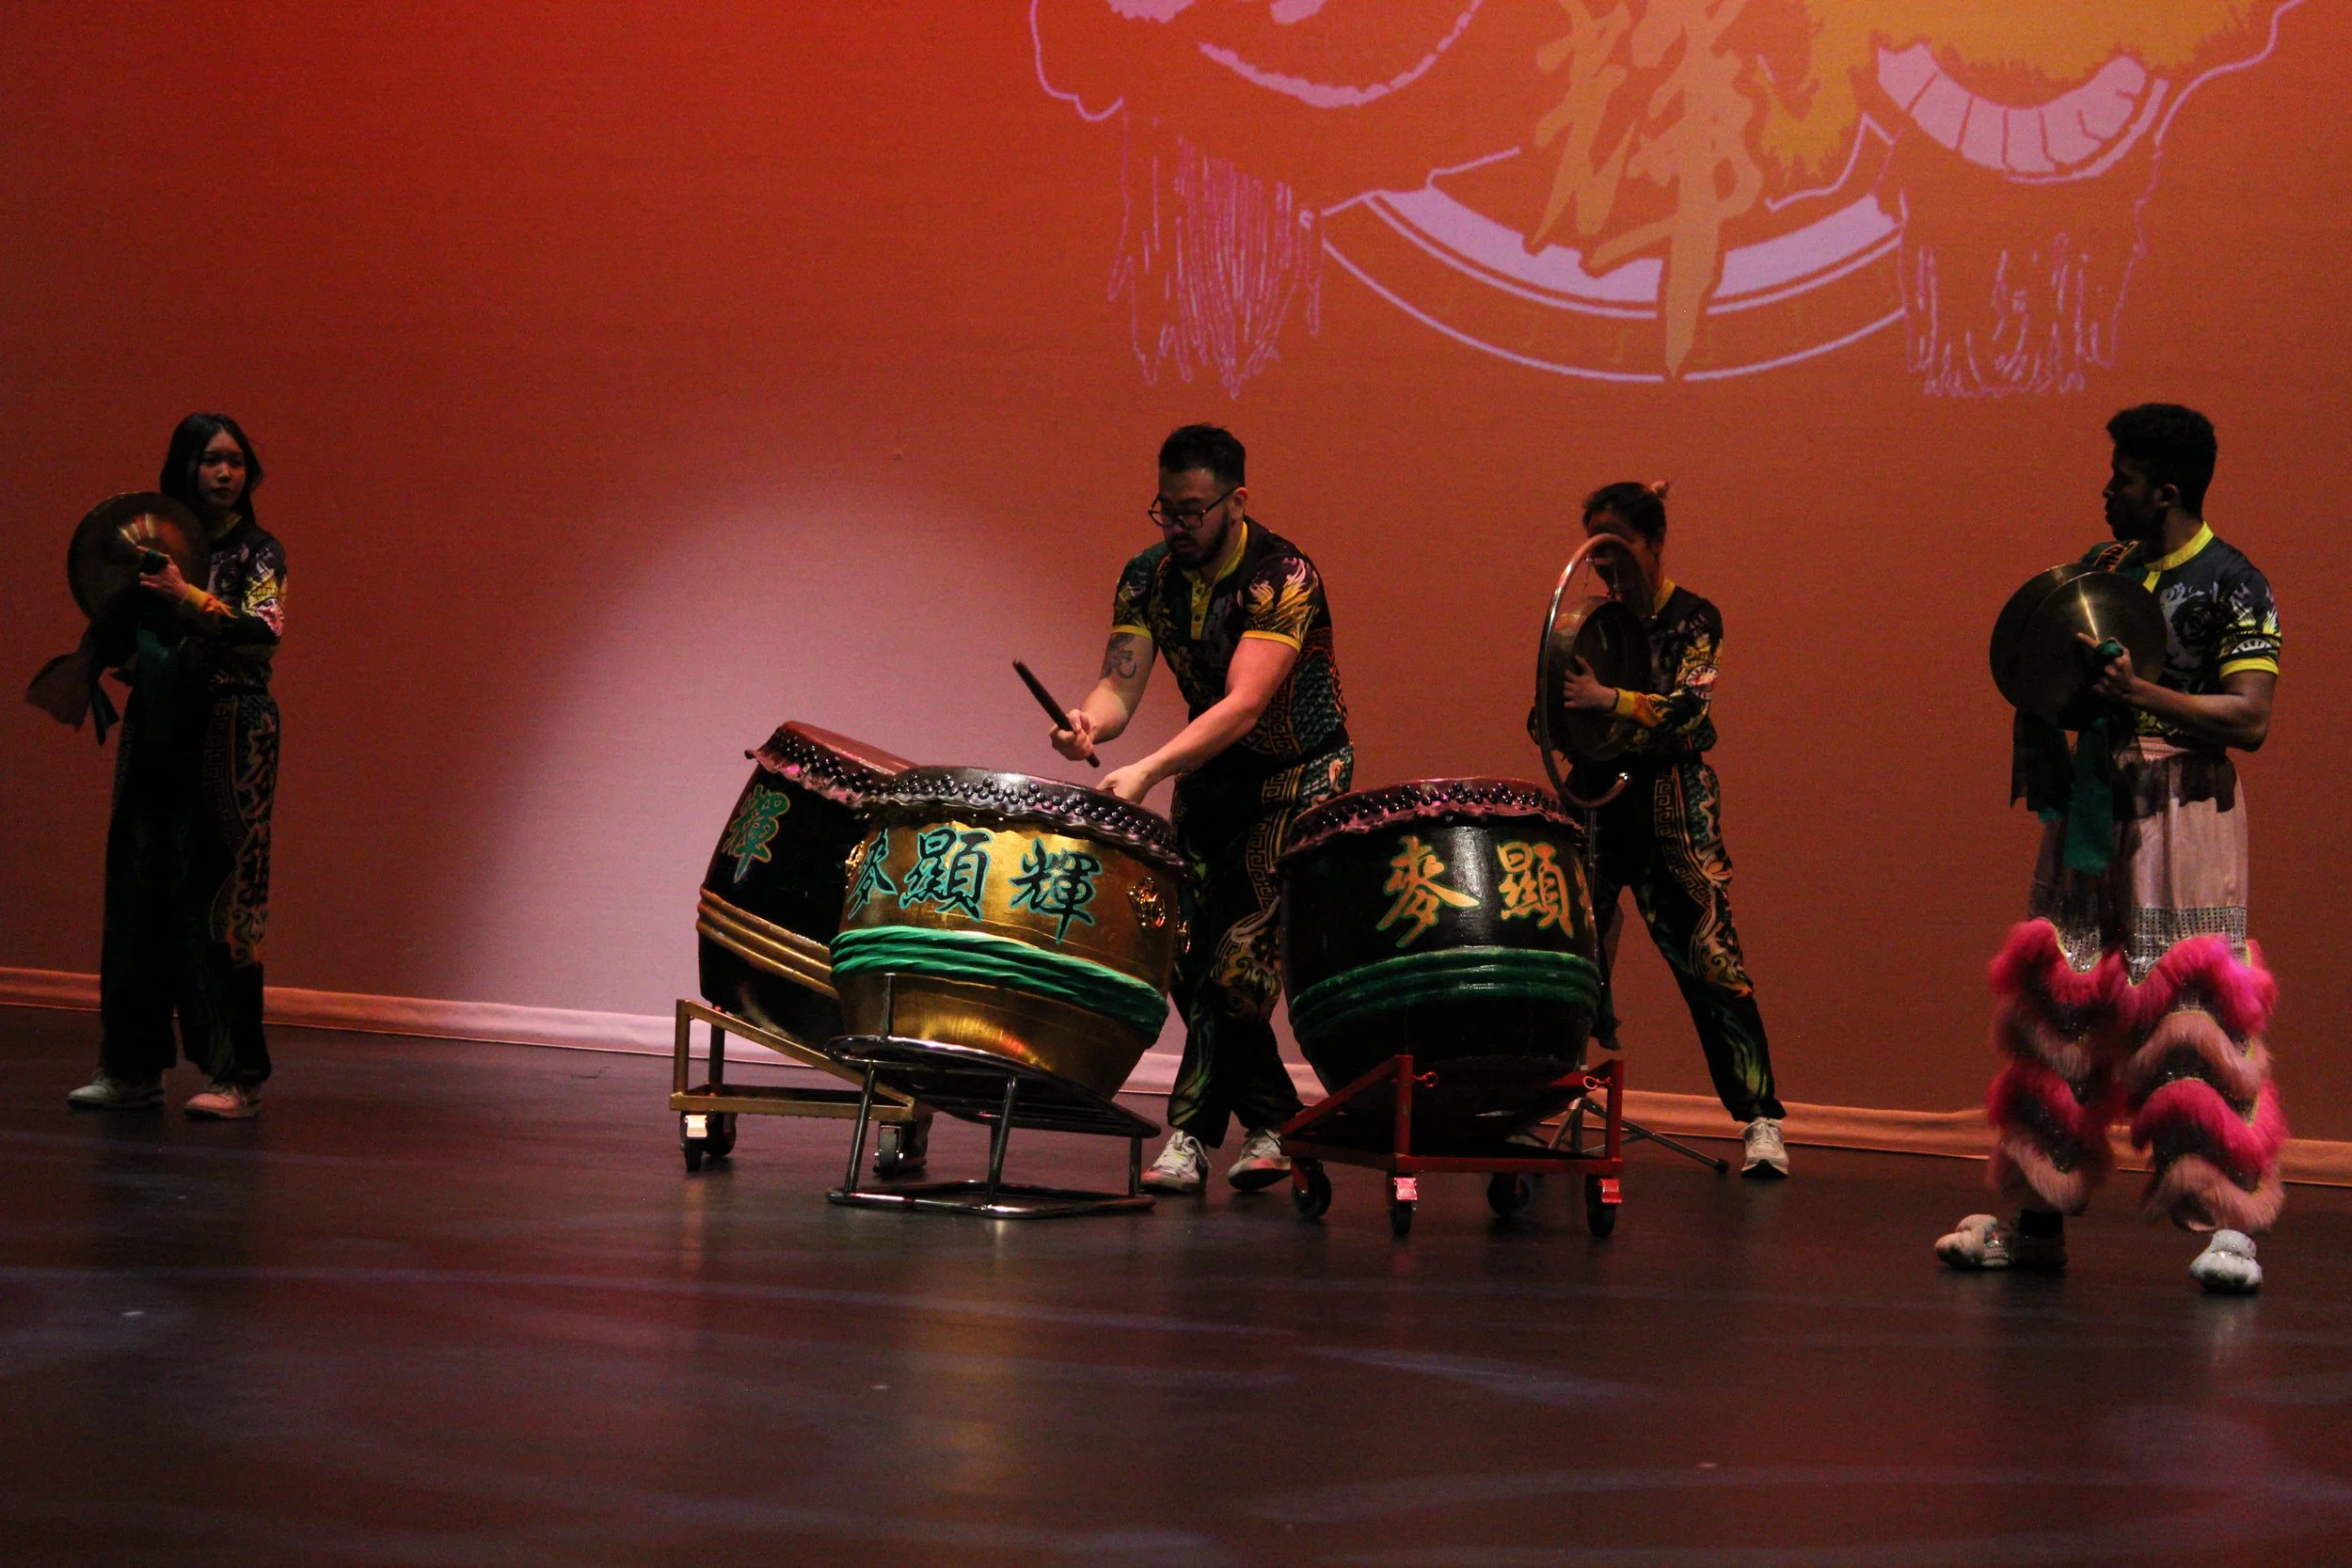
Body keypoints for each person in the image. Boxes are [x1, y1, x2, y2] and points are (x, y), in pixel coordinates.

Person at [1936, 404, 2282, 1293]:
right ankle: (2037, 1220)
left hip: (2185, 805)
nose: (2105, 490)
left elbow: (2249, 717)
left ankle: (2228, 1223)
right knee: (2062, 1002)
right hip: (2098, 800)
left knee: (2190, 1010)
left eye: (2121, 477)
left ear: (2166, 490)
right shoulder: (2100, 573)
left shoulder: (2234, 583)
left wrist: (2143, 693)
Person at [1051, 424, 1351, 1194]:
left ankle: (1188, 1131)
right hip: (1210, 778)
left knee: (1238, 965)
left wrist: (1147, 769)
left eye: (1192, 511)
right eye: (1166, 510)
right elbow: (1121, 683)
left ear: (1235, 500)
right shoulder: (1147, 577)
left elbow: (1246, 704)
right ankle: (1274, 1124)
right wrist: (1089, 721)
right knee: (1183, 954)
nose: (1176, 526)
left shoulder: (1282, 575)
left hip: (1299, 780)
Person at [1549, 482, 1790, 1176]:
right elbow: (1550, 718)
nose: (1611, 571)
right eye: (1600, 557)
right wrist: (1564, 711)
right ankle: (1560, 1096)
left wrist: (1608, 699)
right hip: (1596, 799)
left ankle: (1761, 1118)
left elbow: (1689, 708)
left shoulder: (1695, 618)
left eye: (1621, 551)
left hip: (1671, 800)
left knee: (1710, 954)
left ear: (1654, 544)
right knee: (1569, 949)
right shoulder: (1593, 626)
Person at [67, 414, 287, 1119]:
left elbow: (261, 635)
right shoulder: (151, 547)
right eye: (210, 461)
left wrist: (184, 596)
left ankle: (236, 1074)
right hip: (159, 722)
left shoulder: (258, 552)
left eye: (235, 462)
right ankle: (131, 1066)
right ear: (183, 469)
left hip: (231, 726)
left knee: (223, 895)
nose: (225, 474)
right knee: (137, 886)